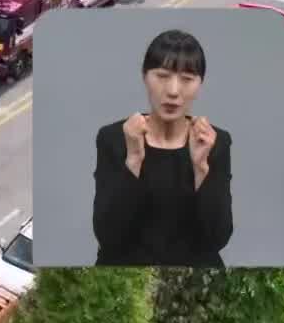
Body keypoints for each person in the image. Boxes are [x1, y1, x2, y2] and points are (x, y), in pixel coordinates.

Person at [92, 29, 233, 267]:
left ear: (200, 84)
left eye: (187, 79)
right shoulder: (114, 138)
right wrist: (133, 158)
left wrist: (201, 168)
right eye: (162, 76)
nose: (173, 91)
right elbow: (108, 237)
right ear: (145, 76)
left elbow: (217, 238)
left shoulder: (214, 142)